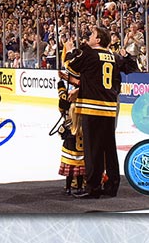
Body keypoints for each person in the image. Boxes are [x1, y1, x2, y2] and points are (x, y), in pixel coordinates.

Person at [62, 25, 135, 199]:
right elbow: (131, 67)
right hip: (109, 108)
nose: (89, 37)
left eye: (92, 35)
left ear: (98, 40)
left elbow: (70, 67)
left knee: (92, 150)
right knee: (109, 149)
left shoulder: (89, 54)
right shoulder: (113, 56)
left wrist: (70, 50)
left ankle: (93, 187)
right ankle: (112, 186)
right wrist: (126, 55)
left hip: (92, 107)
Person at [56, 79, 84, 196]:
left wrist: (60, 85)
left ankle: (68, 187)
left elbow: (61, 134)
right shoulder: (85, 125)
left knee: (70, 172)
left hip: (69, 151)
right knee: (81, 172)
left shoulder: (67, 124)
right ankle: (80, 187)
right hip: (81, 152)